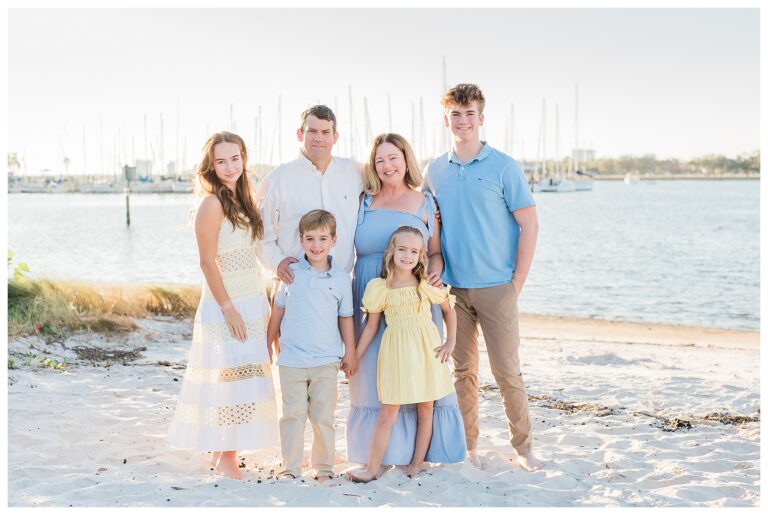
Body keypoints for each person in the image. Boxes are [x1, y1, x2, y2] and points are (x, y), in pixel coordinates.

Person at [423, 83, 544, 472]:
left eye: (469, 113)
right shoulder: (435, 170)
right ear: (447, 120)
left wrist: (517, 283)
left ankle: (525, 450)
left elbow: (529, 225)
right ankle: (469, 447)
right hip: (454, 291)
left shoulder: (504, 166)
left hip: (497, 287)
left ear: (481, 117)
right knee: (462, 372)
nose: (463, 121)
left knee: (507, 372)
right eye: (456, 115)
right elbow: (430, 226)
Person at [346, 133, 466, 468]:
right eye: (380, 160)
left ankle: (418, 456)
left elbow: (435, 252)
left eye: (393, 158)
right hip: (371, 292)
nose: (386, 166)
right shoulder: (362, 201)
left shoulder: (425, 202)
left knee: (419, 376)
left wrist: (435, 275)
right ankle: (377, 456)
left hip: (415, 298)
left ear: (405, 159)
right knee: (372, 376)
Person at [167, 131, 278, 480]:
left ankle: (222, 449)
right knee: (228, 373)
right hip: (225, 302)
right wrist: (229, 307)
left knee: (246, 372)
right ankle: (227, 455)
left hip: (253, 298)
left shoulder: (245, 199)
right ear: (211, 166)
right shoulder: (211, 203)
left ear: (244, 158)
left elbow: (255, 253)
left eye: (235, 158)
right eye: (221, 161)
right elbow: (207, 262)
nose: (230, 166)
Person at [346, 226, 458, 483]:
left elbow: (449, 309)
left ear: (421, 256)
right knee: (388, 412)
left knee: (426, 409)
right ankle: (372, 468)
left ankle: (417, 464)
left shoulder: (425, 284)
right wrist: (355, 355)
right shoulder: (379, 287)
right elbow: (371, 326)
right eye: (402, 249)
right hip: (395, 352)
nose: (408, 255)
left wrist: (450, 341)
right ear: (392, 251)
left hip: (426, 350)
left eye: (414, 251)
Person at [266, 210, 357, 482]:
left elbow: (346, 318)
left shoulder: (340, 279)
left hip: (326, 361)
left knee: (323, 417)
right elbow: (278, 310)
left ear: (334, 241)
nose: (316, 245)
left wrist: (349, 351)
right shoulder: (291, 273)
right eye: (310, 239)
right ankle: (290, 467)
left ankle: (323, 468)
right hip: (291, 359)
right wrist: (267, 342)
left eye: (322, 239)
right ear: (301, 240)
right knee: (292, 415)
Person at [255, 105, 363, 283]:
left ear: (335, 137)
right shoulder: (277, 179)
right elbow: (260, 235)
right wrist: (277, 262)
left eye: (325, 132)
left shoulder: (354, 172)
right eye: (312, 131)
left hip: (342, 285)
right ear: (300, 134)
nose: (319, 138)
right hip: (296, 284)